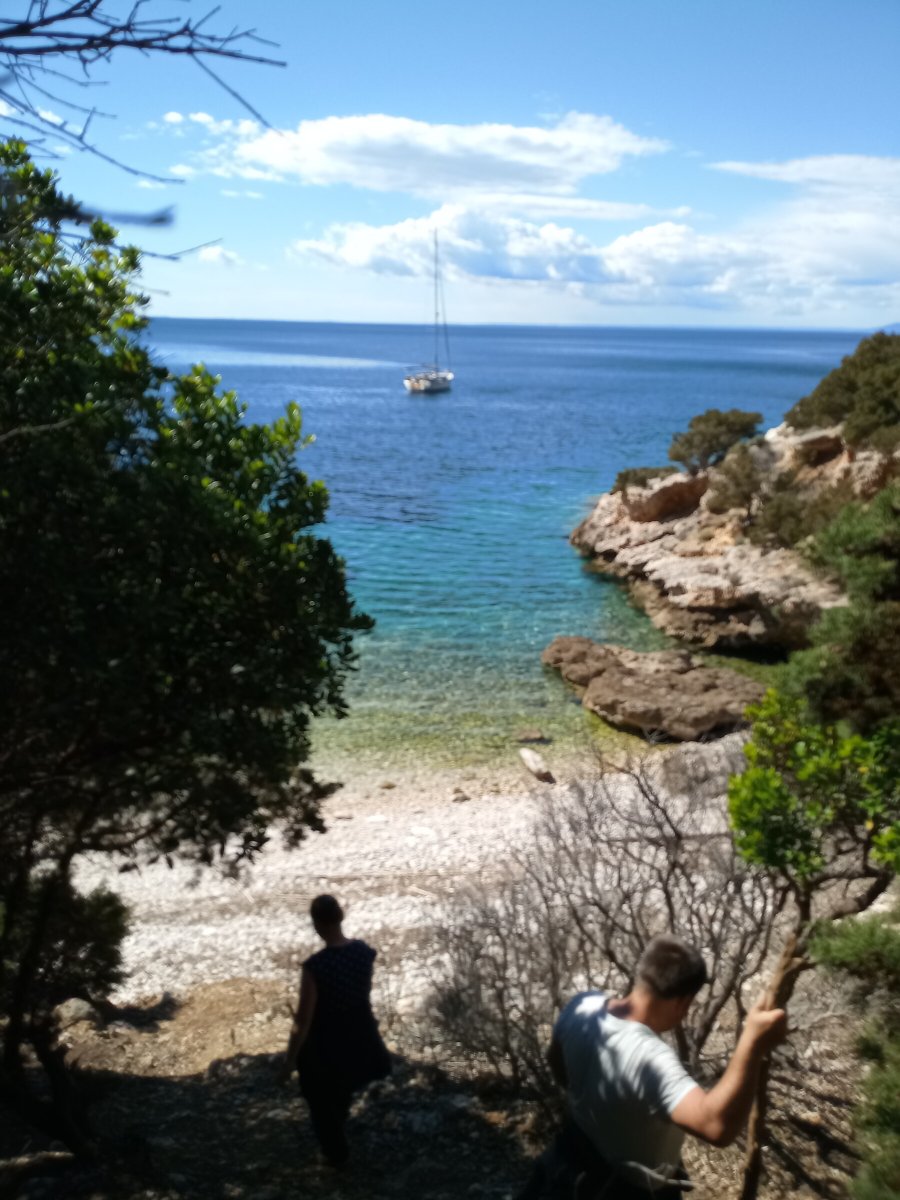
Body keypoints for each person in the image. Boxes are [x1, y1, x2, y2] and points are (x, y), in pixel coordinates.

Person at [519, 934, 787, 1199]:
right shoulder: (651, 1059)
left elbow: (555, 1061)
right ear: (683, 1003)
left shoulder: (582, 1006)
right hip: (627, 1190)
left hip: (570, 1156)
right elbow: (716, 1126)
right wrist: (751, 1044)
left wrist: (596, 1106)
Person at [278, 894, 392, 1166]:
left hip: (326, 1044)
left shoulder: (315, 967)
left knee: (320, 1101)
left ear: (316, 924)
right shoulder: (364, 953)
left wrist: (289, 1060)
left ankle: (336, 1156)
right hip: (360, 1036)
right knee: (342, 1093)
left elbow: (303, 1020)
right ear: (340, 917)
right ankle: (338, 1139)